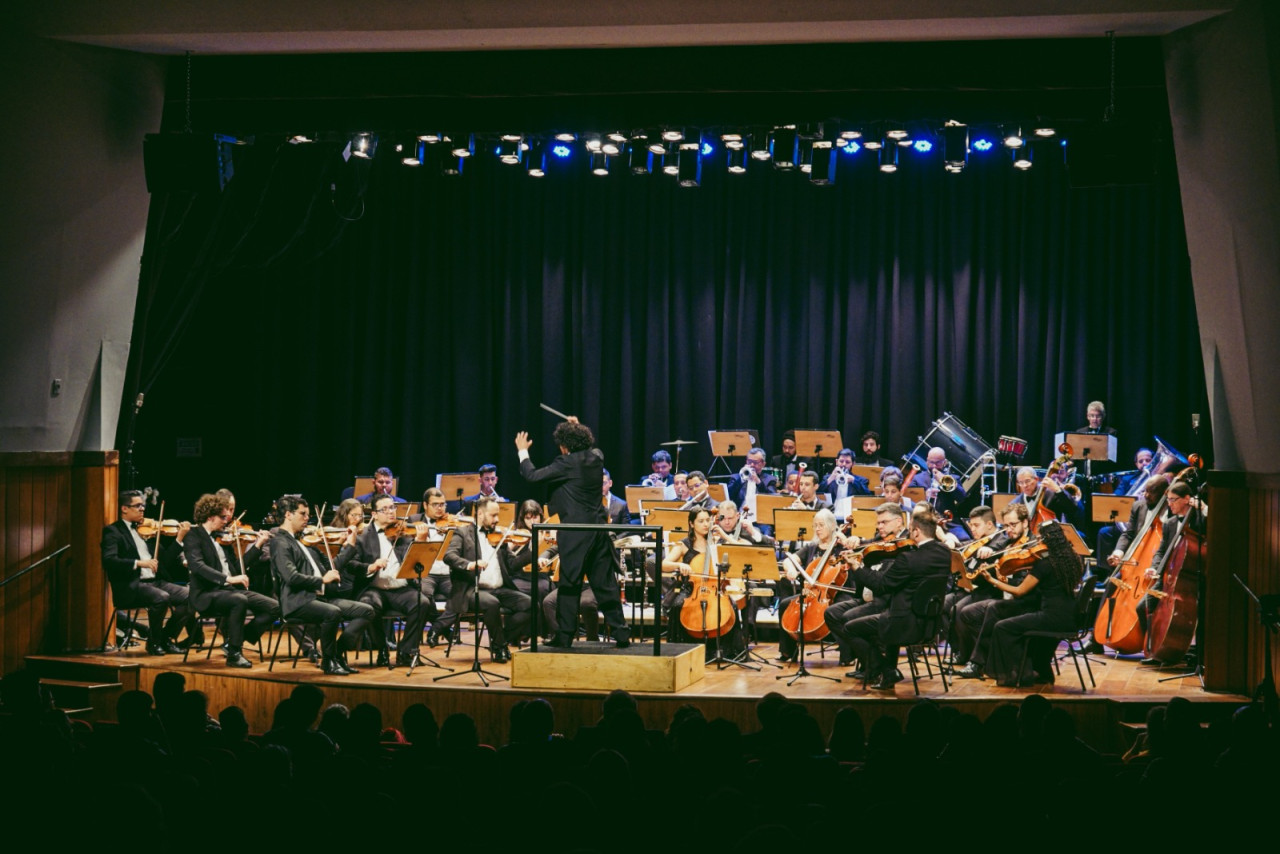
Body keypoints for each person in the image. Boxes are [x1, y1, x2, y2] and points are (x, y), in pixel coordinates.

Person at [516, 418, 629, 649]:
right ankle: (621, 634)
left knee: (569, 585)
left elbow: (533, 476)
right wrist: (576, 428)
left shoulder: (565, 463)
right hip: (598, 530)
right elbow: (588, 448)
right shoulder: (596, 457)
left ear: (564, 446)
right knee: (604, 584)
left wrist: (522, 452)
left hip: (575, 532)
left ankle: (565, 636)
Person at [844, 508, 954, 689]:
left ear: (917, 531)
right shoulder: (944, 552)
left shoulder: (908, 559)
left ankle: (886, 670)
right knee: (888, 610)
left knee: (850, 628)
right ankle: (888, 671)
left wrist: (857, 568)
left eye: (911, 530)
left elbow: (881, 585)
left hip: (902, 625)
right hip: (930, 624)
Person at [271, 494, 375, 675]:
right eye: (303, 514)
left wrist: (349, 546)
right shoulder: (280, 542)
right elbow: (291, 577)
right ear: (288, 514)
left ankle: (336, 653)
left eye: (308, 514)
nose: (307, 518)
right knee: (332, 613)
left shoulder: (307, 543)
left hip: (322, 598)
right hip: (297, 601)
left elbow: (332, 567)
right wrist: (322, 580)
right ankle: (328, 661)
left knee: (366, 611)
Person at [976, 520, 1084, 686]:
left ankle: (1019, 674)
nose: (1037, 542)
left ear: (1047, 539)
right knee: (1021, 622)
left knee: (1003, 627)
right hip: (1070, 617)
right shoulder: (1073, 559)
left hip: (1051, 617)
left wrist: (992, 580)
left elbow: (1020, 591)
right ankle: (1039, 670)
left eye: (1039, 538)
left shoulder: (1045, 564)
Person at [183, 493, 280, 668]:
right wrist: (227, 578)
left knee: (274, 607)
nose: (227, 520)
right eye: (223, 517)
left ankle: (236, 640)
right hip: (206, 594)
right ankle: (235, 654)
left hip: (229, 591)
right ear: (210, 516)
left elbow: (239, 567)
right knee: (239, 599)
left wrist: (258, 544)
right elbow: (197, 566)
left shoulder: (223, 538)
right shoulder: (193, 535)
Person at [346, 494, 438, 668]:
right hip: (374, 588)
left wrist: (420, 542)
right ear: (374, 514)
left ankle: (406, 651)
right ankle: (382, 648)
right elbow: (350, 564)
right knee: (370, 605)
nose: (391, 512)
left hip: (400, 589)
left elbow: (416, 562)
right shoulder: (362, 535)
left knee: (422, 602)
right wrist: (370, 566)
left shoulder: (402, 533)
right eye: (385, 509)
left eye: (393, 507)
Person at [100, 490, 196, 654]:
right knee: (161, 597)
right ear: (124, 508)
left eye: (143, 505)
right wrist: (139, 563)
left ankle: (164, 638)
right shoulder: (113, 532)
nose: (142, 509)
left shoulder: (147, 532)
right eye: (137, 506)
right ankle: (155, 643)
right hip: (131, 585)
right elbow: (109, 561)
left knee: (191, 596)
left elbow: (165, 561)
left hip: (156, 582)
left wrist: (179, 539)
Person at [442, 496, 532, 662]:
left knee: (530, 605)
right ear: (481, 514)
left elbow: (512, 565)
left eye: (497, 515)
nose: (497, 520)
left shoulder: (499, 536)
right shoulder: (462, 533)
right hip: (473, 589)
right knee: (492, 603)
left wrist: (532, 551)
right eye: (493, 516)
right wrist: (469, 564)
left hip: (500, 589)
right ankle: (499, 648)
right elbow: (449, 556)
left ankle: (501, 640)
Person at [1136, 480, 1208, 663]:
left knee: (1198, 613)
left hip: (1191, 577)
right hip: (1168, 575)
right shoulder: (1169, 523)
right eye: (1168, 499)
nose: (1169, 504)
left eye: (1173, 499)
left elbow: (1217, 526)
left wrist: (1204, 508)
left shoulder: (1200, 520)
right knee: (1143, 606)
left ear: (1187, 499)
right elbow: (1161, 551)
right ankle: (1155, 648)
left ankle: (1194, 654)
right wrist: (1155, 567)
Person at [661, 507, 746, 659]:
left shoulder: (716, 543)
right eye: (701, 521)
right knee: (677, 606)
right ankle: (681, 653)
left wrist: (725, 536)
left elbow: (743, 552)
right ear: (691, 524)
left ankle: (727, 652)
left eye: (708, 520)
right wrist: (679, 565)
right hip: (691, 590)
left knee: (731, 606)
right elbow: (663, 564)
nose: (706, 524)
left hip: (715, 589)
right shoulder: (683, 545)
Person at [776, 508, 853, 663]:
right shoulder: (812, 548)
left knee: (837, 610)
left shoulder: (841, 547)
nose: (817, 529)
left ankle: (848, 655)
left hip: (839, 591)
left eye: (821, 525)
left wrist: (845, 542)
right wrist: (791, 569)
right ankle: (787, 651)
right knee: (785, 604)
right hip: (814, 593)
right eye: (815, 526)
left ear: (832, 526)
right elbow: (789, 560)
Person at [408, 487, 459, 645]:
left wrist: (453, 536)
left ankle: (436, 628)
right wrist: (420, 538)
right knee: (423, 594)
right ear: (425, 505)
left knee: (462, 596)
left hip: (447, 573)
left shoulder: (453, 523)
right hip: (426, 572)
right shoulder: (414, 520)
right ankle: (445, 629)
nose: (440, 508)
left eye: (443, 504)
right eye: (435, 504)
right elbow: (406, 550)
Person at [822, 447, 872, 520]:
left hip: (850, 518)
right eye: (841, 461)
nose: (844, 464)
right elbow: (818, 493)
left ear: (853, 464)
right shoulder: (828, 478)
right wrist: (830, 479)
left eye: (847, 462)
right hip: (830, 516)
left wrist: (854, 481)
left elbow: (868, 497)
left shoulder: (861, 480)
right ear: (836, 462)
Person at [726, 448, 777, 517]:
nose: (752, 465)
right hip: (738, 516)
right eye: (749, 462)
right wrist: (741, 480)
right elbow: (728, 495)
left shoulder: (770, 479)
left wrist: (758, 482)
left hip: (760, 517)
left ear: (763, 464)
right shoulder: (736, 477)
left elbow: (773, 499)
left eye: (755, 462)